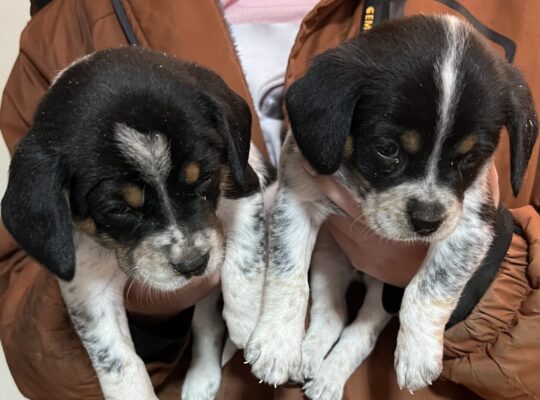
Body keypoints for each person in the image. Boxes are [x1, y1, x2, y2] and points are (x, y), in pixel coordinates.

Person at [0, 0, 538, 399]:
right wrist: (142, 310)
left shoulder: (518, 19)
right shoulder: (68, 27)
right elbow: (30, 330)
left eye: (468, 158)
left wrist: (485, 291)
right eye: (390, 151)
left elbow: (249, 187)